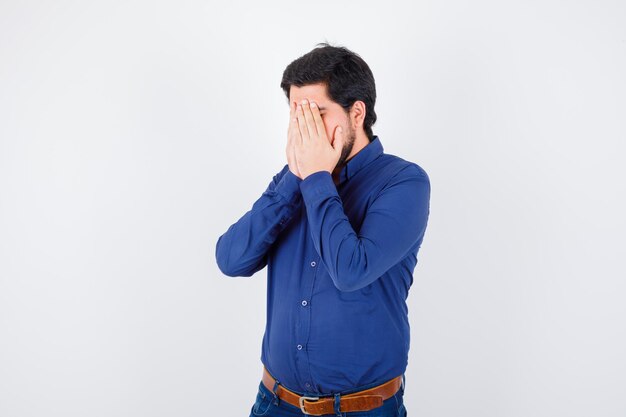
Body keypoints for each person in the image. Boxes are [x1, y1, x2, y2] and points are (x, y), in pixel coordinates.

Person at [215, 42, 430, 417]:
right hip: (274, 403)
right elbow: (231, 259)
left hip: (362, 409)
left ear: (356, 113)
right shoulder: (291, 181)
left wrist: (315, 176)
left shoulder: (403, 183)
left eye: (316, 113)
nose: (305, 128)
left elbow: (351, 270)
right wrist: (294, 181)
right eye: (297, 115)